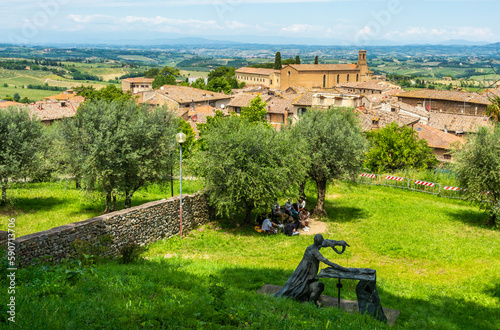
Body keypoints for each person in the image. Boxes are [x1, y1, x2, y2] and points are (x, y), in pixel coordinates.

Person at [274, 234, 353, 306]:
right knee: (309, 284)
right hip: (306, 271)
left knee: (301, 282)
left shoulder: (311, 247)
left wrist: (339, 242)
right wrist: (344, 269)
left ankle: (308, 297)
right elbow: (327, 262)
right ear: (319, 242)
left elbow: (326, 242)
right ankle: (310, 302)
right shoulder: (314, 252)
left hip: (304, 268)